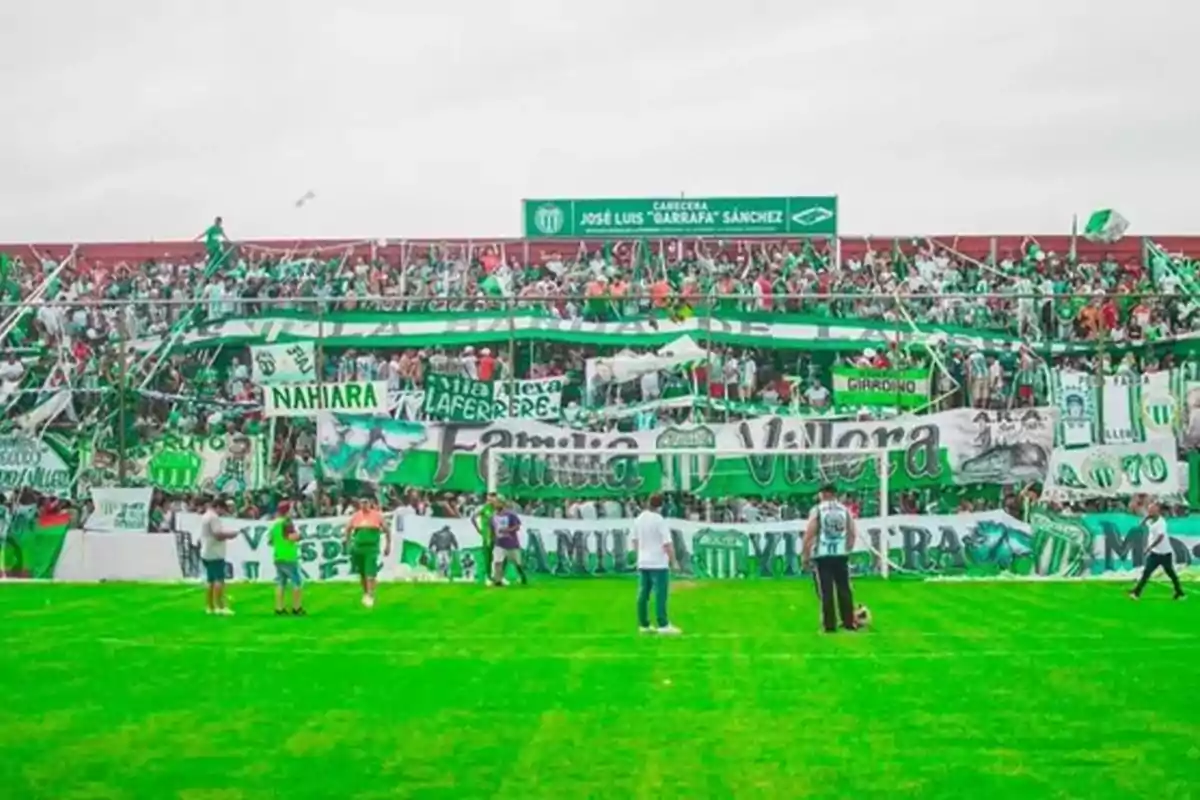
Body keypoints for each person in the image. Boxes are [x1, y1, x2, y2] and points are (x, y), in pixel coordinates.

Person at [802, 485, 859, 633]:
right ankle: (848, 622)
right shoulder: (844, 509)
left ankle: (829, 625)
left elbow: (810, 533)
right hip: (840, 554)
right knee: (844, 588)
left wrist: (805, 554)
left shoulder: (818, 510)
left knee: (826, 590)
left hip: (823, 554)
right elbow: (852, 531)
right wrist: (848, 548)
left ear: (824, 494)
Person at [631, 494, 681, 635]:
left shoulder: (639, 519)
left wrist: (638, 556)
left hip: (643, 561)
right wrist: (674, 561)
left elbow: (634, 540)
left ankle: (643, 624)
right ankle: (663, 624)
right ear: (661, 506)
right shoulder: (659, 520)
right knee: (660, 594)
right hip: (658, 562)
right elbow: (667, 543)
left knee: (643, 593)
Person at [1129, 501, 1186, 601]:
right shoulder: (1150, 520)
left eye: (1152, 510)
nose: (1150, 512)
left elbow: (1160, 537)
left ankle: (1179, 592)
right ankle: (1136, 592)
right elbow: (1141, 525)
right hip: (1155, 553)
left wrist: (1149, 547)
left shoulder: (1161, 523)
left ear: (1157, 511)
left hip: (1164, 553)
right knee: (1147, 572)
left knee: (1171, 573)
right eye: (1149, 510)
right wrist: (1146, 517)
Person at [345, 496, 390, 608]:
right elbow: (348, 529)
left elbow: (387, 530)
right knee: (362, 572)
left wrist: (388, 545)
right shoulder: (356, 516)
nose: (364, 505)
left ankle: (370, 594)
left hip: (372, 548)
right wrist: (348, 543)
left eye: (366, 502)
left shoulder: (377, 516)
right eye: (362, 503)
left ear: (370, 503)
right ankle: (365, 592)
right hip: (358, 547)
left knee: (370, 572)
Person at [199, 497, 241, 615]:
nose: (222, 513)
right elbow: (217, 534)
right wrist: (231, 534)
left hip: (207, 551)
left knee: (210, 581)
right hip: (215, 552)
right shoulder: (213, 518)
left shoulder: (205, 516)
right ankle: (220, 606)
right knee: (219, 580)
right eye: (222, 510)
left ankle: (210, 606)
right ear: (218, 507)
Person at [271, 502, 305, 616]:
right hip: (288, 556)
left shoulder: (275, 523)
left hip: (278, 556)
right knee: (297, 582)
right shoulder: (287, 523)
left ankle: (279, 608)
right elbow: (291, 537)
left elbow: (270, 541)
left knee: (281, 583)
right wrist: (300, 536)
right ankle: (297, 607)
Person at [490, 497, 528, 587]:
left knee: (517, 563)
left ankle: (522, 576)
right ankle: (497, 580)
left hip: (512, 543)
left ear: (503, 504)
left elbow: (517, 526)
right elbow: (492, 529)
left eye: (498, 503)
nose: (496, 505)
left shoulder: (511, 515)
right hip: (499, 543)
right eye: (495, 503)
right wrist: (492, 538)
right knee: (497, 562)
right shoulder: (493, 516)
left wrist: (507, 530)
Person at [474, 494, 500, 585]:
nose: (491, 501)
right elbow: (473, 518)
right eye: (489, 499)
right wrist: (479, 529)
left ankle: (498, 576)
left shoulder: (498, 509)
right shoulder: (484, 509)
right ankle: (488, 576)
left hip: (498, 536)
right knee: (488, 557)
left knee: (499, 557)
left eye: (492, 499)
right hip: (488, 537)